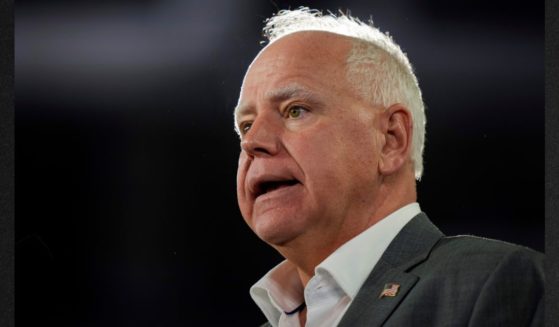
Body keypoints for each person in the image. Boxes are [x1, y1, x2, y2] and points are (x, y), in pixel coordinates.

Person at [234, 7, 543, 327]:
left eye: (295, 110)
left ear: (391, 139)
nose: (252, 141)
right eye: (246, 125)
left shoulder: (490, 282)